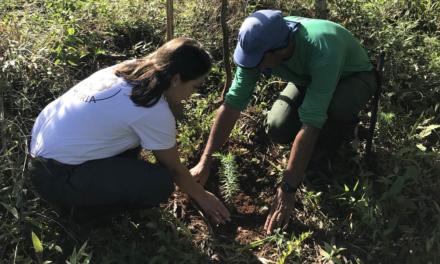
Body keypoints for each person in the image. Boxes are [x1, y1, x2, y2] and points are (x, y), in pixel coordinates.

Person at [191, 10, 377, 234]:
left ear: (279, 50)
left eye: (258, 60)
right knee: (277, 126)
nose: (253, 65)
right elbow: (232, 104)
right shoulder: (259, 45)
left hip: (353, 77)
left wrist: (287, 189)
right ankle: (311, 134)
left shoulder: (322, 47)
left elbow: (311, 124)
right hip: (308, 78)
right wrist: (206, 158)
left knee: (335, 109)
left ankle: (332, 143)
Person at [28, 37, 231, 225]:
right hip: (58, 178)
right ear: (176, 79)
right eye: (195, 86)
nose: (192, 94)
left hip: (39, 157)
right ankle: (84, 215)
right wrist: (203, 196)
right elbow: (174, 169)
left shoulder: (127, 70)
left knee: (130, 144)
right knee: (160, 183)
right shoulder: (152, 109)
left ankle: (87, 193)